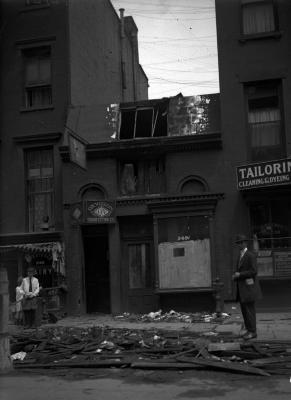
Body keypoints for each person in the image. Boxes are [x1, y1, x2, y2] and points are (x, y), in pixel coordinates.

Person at [232, 234, 262, 340]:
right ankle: (249, 330)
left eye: (241, 243)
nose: (239, 245)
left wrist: (240, 274)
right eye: (238, 243)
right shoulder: (240, 255)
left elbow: (254, 271)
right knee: (245, 311)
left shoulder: (250, 255)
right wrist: (236, 275)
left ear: (245, 243)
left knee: (250, 311)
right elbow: (240, 270)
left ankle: (253, 332)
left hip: (249, 288)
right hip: (242, 288)